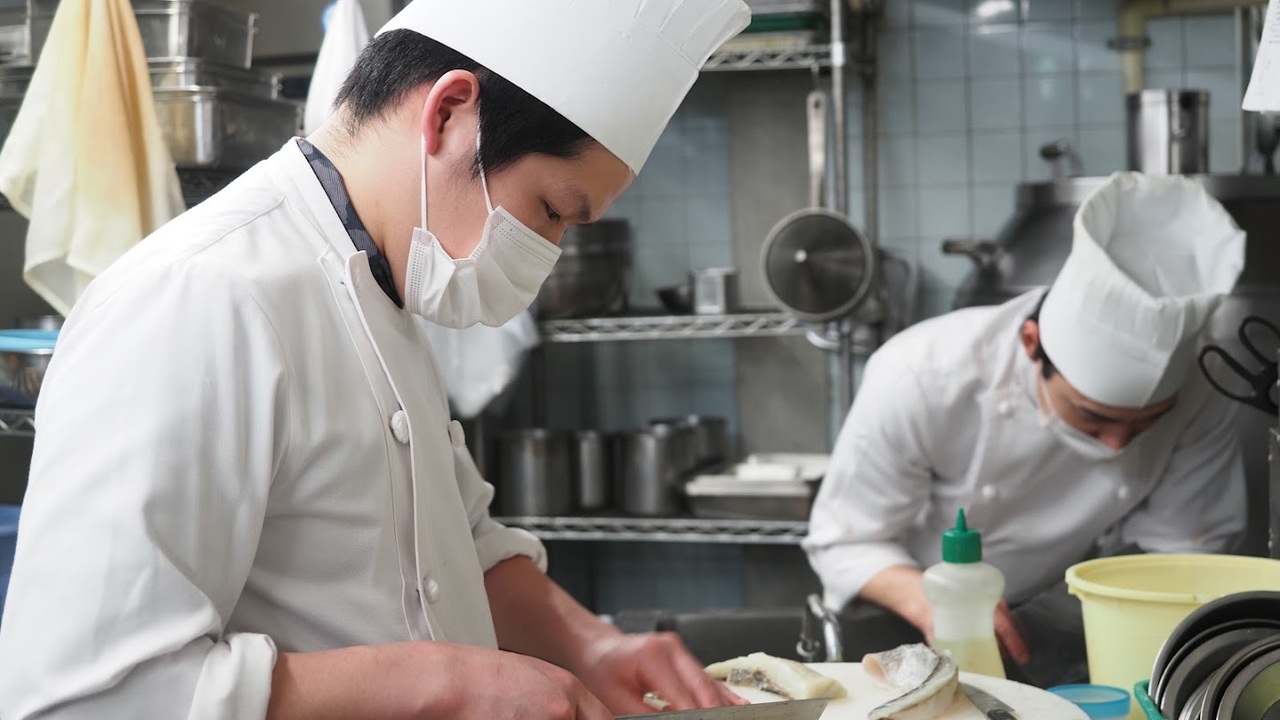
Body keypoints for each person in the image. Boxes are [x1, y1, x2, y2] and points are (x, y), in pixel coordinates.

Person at [0, 1, 751, 718]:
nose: (547, 253)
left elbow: (457, 545)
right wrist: (445, 684)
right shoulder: (196, 298)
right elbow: (86, 696)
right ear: (449, 113)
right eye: (552, 211)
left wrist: (592, 646)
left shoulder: (385, 282)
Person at [805, 172, 1248, 678]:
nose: (1116, 444)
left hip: (1050, 615)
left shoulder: (1201, 389)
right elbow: (846, 541)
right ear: (1032, 344)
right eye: (1093, 416)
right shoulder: (920, 374)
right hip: (902, 617)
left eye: (1147, 423)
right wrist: (938, 605)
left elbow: (1180, 552)